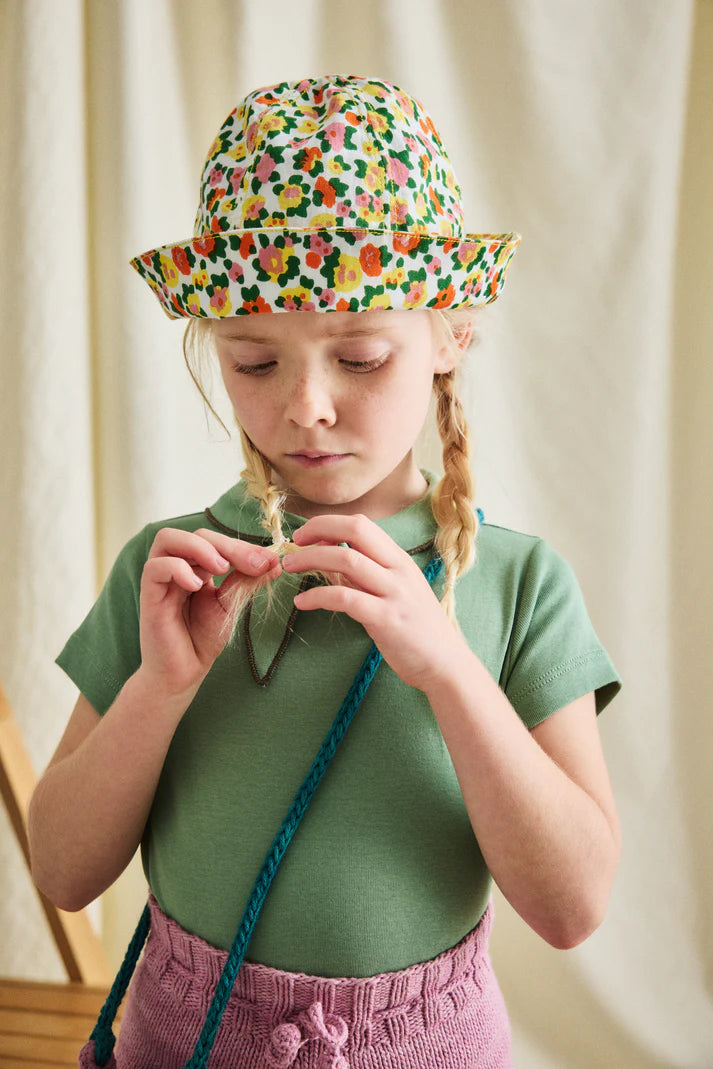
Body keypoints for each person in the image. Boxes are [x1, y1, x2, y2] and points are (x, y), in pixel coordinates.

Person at [28, 75, 623, 1069]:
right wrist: (160, 686)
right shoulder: (169, 575)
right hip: (184, 1042)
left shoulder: (519, 582)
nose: (305, 406)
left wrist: (446, 667)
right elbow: (59, 867)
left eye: (357, 357)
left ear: (449, 335)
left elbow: (572, 905)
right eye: (255, 363)